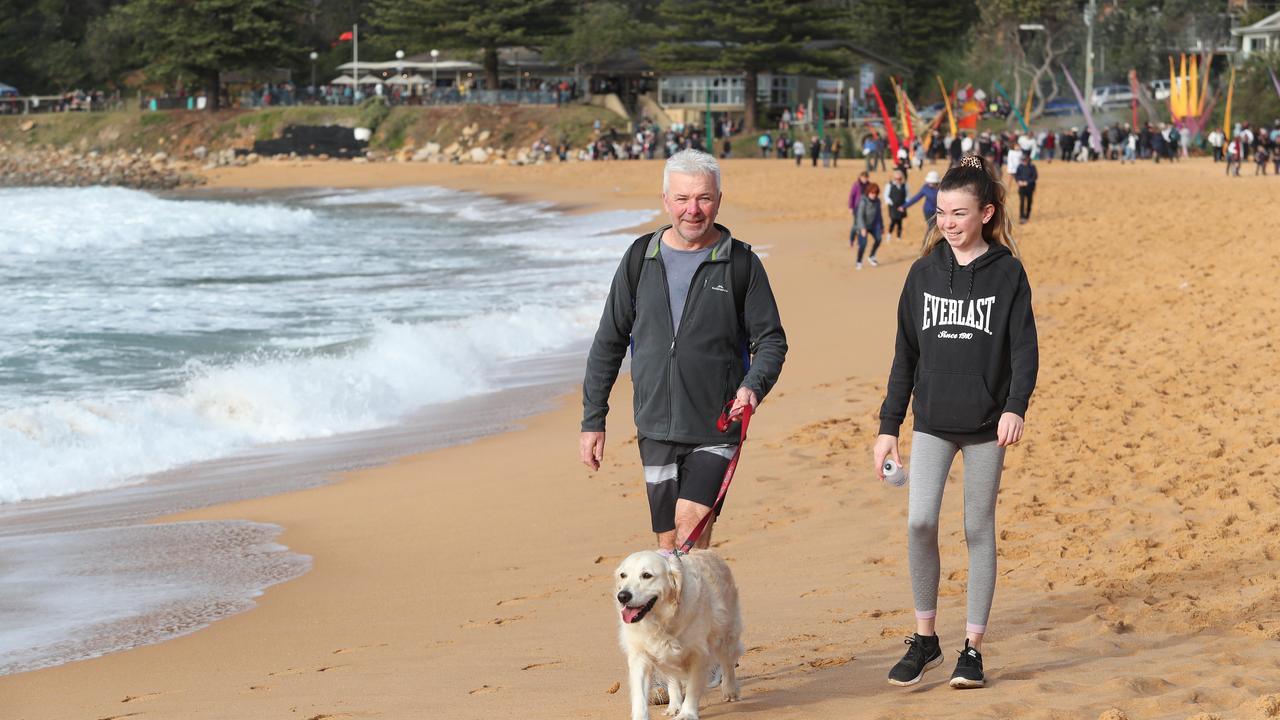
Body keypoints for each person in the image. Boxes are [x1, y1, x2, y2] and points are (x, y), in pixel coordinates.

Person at [873, 154, 1038, 690]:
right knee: (920, 521)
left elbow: (1025, 351)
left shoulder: (1008, 273)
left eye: (960, 213)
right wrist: (887, 427)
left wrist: (1015, 406)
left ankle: (972, 647)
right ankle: (925, 640)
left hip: (989, 422)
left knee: (976, 528)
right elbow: (904, 356)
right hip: (932, 421)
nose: (948, 222)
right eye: (942, 211)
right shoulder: (922, 273)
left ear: (986, 213)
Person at [581, 148, 788, 555]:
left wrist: (752, 388)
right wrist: (593, 420)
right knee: (667, 545)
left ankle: (693, 617)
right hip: (655, 425)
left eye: (703, 198)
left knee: (689, 529)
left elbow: (771, 341)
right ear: (665, 201)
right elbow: (609, 341)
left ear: (718, 200)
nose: (692, 210)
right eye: (682, 199)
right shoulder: (641, 257)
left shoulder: (741, 263)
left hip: (716, 426)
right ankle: (689, 616)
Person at [854, 182, 885, 270]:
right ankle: (859, 261)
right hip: (863, 225)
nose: (873, 195)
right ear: (868, 192)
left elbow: (879, 214)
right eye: (872, 193)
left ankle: (871, 256)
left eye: (875, 193)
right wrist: (862, 228)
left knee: (878, 239)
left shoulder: (878, 201)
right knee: (863, 244)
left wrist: (881, 226)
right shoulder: (863, 200)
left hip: (874, 225)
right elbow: (860, 215)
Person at [848, 170, 871, 243]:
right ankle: (851, 239)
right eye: (863, 177)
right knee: (856, 225)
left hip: (866, 208)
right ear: (860, 177)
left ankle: (860, 241)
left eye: (866, 177)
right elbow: (851, 196)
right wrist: (850, 207)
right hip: (857, 207)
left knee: (863, 225)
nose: (864, 179)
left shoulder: (869, 185)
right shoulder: (856, 185)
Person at [1013, 154, 1037, 223]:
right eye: (1023, 160)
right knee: (1022, 202)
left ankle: (1027, 216)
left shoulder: (1032, 167)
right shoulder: (1019, 167)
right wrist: (1018, 181)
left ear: (1028, 160)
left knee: (1029, 202)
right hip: (1021, 187)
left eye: (1025, 160)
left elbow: (1035, 177)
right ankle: (1022, 217)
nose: (1024, 161)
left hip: (1030, 187)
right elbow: (1016, 175)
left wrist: (1027, 182)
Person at [886, 170, 908, 241]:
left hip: (901, 206)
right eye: (896, 179)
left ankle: (898, 237)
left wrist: (904, 206)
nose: (898, 180)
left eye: (899, 179)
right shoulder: (889, 185)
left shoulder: (905, 186)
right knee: (893, 221)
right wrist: (892, 203)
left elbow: (907, 197)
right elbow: (886, 196)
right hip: (893, 207)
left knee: (899, 222)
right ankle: (889, 235)